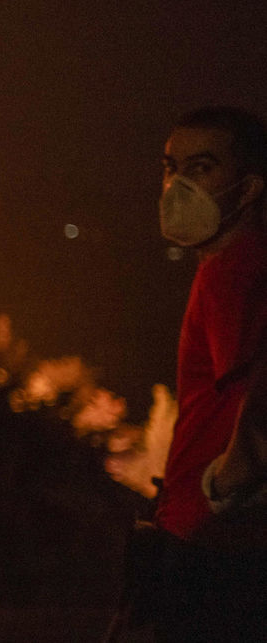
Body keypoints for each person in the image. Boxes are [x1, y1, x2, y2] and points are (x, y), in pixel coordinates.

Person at [146, 105, 267, 640]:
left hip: (218, 549)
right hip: (211, 540)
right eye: (172, 166)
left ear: (247, 190)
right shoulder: (224, 266)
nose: (177, 184)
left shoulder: (236, 270)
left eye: (202, 167)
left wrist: (228, 476)